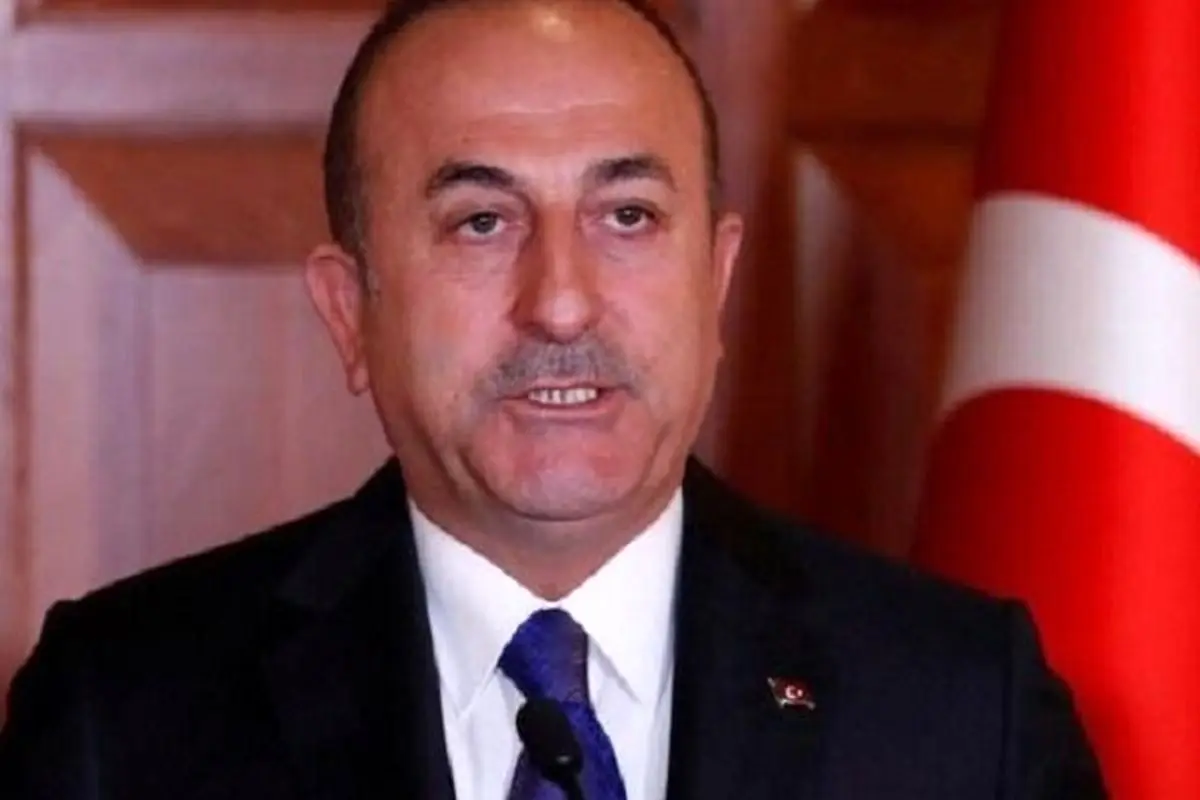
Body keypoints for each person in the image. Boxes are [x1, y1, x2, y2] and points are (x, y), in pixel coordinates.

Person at [0, 0, 1107, 797]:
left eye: (627, 216)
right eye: (481, 222)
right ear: (349, 312)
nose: (563, 303)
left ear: (715, 283)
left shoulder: (965, 708)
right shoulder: (122, 712)